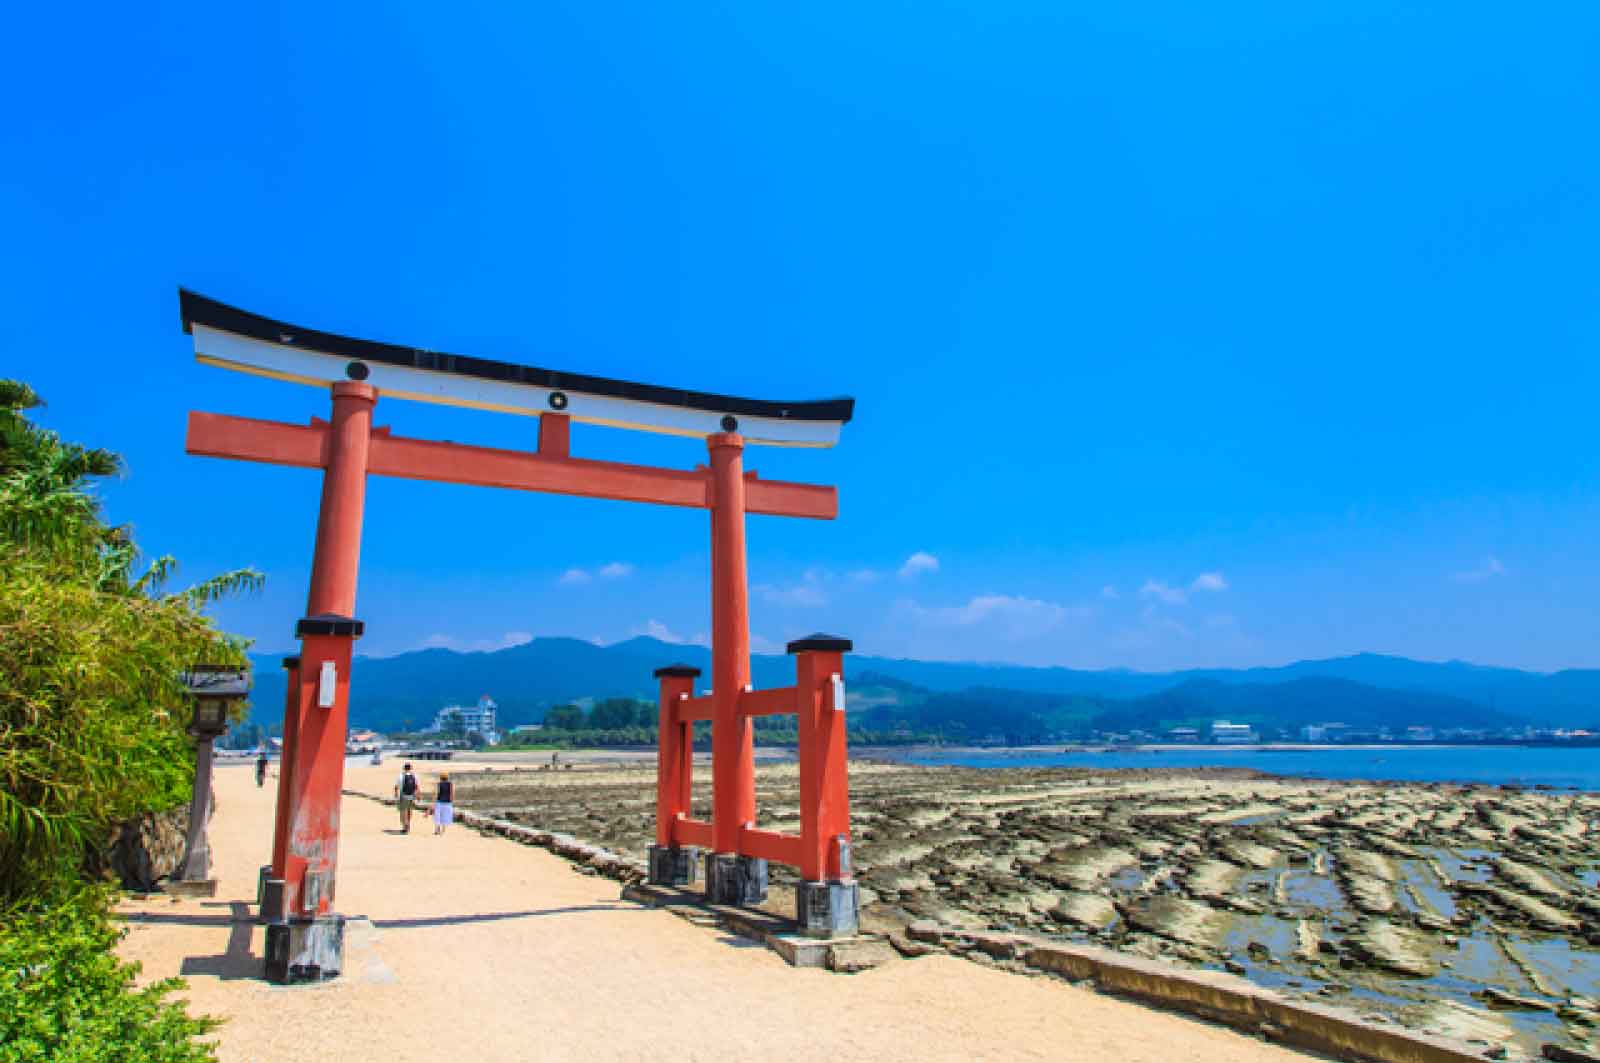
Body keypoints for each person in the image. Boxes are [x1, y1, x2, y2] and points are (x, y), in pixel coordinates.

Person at [394, 762, 419, 833]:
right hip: (412, 795)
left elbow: (396, 786)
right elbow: (416, 787)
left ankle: (405, 826)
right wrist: (417, 795)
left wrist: (396, 794)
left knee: (403, 811)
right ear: (411, 768)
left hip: (404, 795)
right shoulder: (414, 776)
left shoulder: (401, 776)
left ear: (404, 768)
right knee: (409, 810)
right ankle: (408, 823)